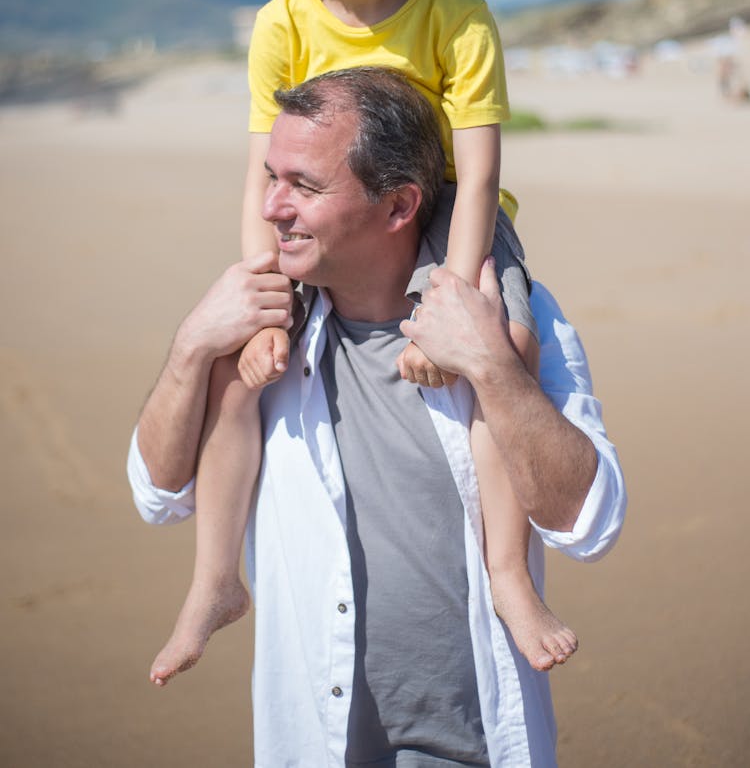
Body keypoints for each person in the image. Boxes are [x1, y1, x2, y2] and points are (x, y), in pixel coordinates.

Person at [151, 0, 566, 686]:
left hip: (449, 208)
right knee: (233, 363)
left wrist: (453, 301)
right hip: (327, 217)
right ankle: (215, 582)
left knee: (508, 348)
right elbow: (268, 174)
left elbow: (482, 171)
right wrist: (263, 298)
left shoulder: (456, 10)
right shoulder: (283, 21)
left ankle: (505, 575)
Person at [128, 67, 626, 766]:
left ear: (398, 208)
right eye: (271, 177)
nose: (271, 208)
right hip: (312, 744)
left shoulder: (518, 319)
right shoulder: (265, 330)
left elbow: (591, 523)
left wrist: (490, 366)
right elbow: (156, 493)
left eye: (303, 185)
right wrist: (188, 348)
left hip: (477, 743)